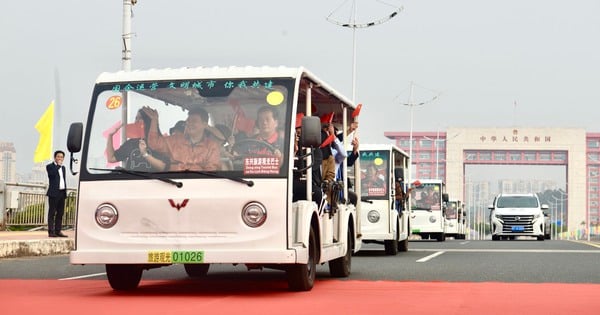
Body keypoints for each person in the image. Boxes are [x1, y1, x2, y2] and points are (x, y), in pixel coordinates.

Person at [145, 106, 221, 171]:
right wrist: (154, 120)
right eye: (188, 120)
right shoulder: (175, 140)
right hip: (173, 183)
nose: (189, 123)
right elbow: (154, 144)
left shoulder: (212, 146)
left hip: (198, 185)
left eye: (194, 121)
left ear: (204, 125)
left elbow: (210, 172)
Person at [46, 150, 68, 238]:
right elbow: (51, 175)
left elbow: (63, 180)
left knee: (60, 213)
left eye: (62, 157)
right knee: (52, 212)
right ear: (55, 157)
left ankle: (58, 231)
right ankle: (51, 231)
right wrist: (58, 166)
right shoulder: (50, 166)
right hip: (53, 193)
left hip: (61, 193)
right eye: (58, 156)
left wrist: (65, 192)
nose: (60, 158)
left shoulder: (63, 168)